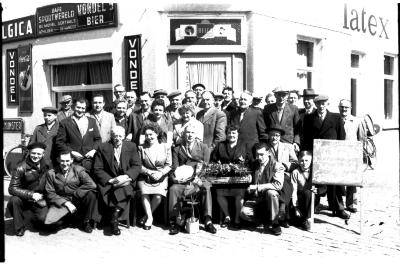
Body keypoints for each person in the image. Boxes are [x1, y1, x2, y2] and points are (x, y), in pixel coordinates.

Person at [303, 95, 349, 219]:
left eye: (324, 103)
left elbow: (341, 137)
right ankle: (313, 206)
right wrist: (307, 154)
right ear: (315, 105)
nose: (321, 106)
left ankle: (338, 208)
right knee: (315, 181)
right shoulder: (309, 118)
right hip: (316, 156)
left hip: (331, 156)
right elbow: (306, 139)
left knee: (334, 183)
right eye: (319, 104)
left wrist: (339, 154)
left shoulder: (336, 118)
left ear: (327, 104)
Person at [93, 126, 142, 235]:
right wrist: (110, 180)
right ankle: (115, 215)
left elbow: (137, 166)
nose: (118, 138)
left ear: (124, 136)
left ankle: (114, 217)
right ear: (111, 136)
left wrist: (126, 176)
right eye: (115, 136)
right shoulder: (103, 147)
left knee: (125, 187)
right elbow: (97, 168)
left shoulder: (132, 146)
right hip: (109, 181)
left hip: (126, 179)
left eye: (120, 136)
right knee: (120, 191)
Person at [168, 125, 216, 235]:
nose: (190, 135)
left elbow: (206, 167)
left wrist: (198, 178)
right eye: (188, 132)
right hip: (183, 180)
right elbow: (175, 167)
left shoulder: (204, 147)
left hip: (199, 178)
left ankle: (208, 220)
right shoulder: (177, 149)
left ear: (196, 135)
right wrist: (178, 179)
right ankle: (175, 221)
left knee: (207, 187)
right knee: (173, 189)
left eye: (192, 133)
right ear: (184, 134)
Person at [45, 151, 100, 233]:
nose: (65, 163)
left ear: (71, 160)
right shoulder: (51, 173)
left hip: (77, 199)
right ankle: (69, 219)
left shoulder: (78, 170)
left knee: (91, 194)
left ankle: (86, 221)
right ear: (58, 160)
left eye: (67, 161)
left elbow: (91, 184)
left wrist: (76, 194)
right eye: (62, 160)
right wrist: (66, 203)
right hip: (62, 201)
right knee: (50, 225)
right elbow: (50, 193)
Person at [211, 125, 252, 229]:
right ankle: (227, 216)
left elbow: (250, 162)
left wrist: (243, 168)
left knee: (239, 194)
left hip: (238, 178)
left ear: (237, 134)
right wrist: (219, 166)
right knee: (219, 193)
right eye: (229, 133)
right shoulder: (220, 145)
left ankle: (237, 219)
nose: (231, 135)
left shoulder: (244, 145)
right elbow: (213, 161)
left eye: (233, 133)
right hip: (223, 178)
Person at [240, 143, 285, 236]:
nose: (259, 157)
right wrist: (249, 179)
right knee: (243, 213)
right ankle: (262, 219)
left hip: (270, 201)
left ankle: (275, 223)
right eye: (257, 155)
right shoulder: (255, 164)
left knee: (271, 193)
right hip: (256, 199)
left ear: (268, 153)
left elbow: (278, 185)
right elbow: (250, 178)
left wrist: (257, 187)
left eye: (261, 154)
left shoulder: (276, 166)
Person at [7, 142, 50, 236]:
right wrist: (31, 194)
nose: (36, 156)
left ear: (43, 154)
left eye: (39, 154)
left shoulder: (46, 166)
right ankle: (19, 228)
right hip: (24, 199)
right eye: (33, 153)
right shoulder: (20, 167)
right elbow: (12, 188)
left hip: (40, 200)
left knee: (44, 221)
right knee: (14, 200)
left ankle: (33, 219)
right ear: (29, 153)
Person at [137, 124, 172, 230]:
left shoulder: (165, 146)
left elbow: (169, 165)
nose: (149, 137)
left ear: (157, 134)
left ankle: (146, 215)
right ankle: (150, 218)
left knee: (158, 196)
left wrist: (160, 173)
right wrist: (148, 172)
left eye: (151, 134)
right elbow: (138, 165)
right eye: (146, 135)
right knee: (144, 192)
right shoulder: (141, 147)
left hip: (161, 176)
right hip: (145, 176)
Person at [55, 97, 101, 172]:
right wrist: (71, 152)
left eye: (83, 108)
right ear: (73, 107)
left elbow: (98, 139)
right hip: (73, 162)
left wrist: (93, 150)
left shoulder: (92, 121)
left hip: (89, 161)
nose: (80, 110)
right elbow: (59, 142)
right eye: (78, 107)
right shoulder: (65, 123)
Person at [266, 125, 298, 228]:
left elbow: (296, 162)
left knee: (285, 182)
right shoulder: (265, 147)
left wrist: (285, 165)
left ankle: (282, 211)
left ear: (280, 137)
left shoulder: (287, 147)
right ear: (268, 136)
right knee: (279, 183)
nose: (274, 138)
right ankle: (283, 216)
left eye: (277, 135)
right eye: (272, 135)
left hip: (284, 173)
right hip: (270, 174)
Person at [338, 99, 365, 213]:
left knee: (352, 180)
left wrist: (360, 156)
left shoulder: (357, 121)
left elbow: (362, 139)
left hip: (352, 155)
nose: (344, 109)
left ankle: (351, 203)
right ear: (339, 107)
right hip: (338, 154)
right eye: (342, 107)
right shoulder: (335, 119)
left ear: (350, 108)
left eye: (346, 107)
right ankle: (338, 204)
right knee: (337, 180)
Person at [263, 86, 300, 152]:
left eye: (284, 95)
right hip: (272, 143)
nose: (281, 97)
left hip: (288, 143)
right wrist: (266, 141)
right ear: (275, 95)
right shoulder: (268, 109)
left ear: (287, 96)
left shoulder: (293, 109)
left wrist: (296, 142)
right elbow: (264, 127)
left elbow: (298, 128)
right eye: (279, 95)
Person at [290, 151, 313, 231]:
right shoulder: (295, 172)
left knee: (308, 193)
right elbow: (293, 190)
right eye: (302, 161)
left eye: (307, 161)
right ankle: (303, 218)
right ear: (299, 161)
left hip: (312, 199)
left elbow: (323, 188)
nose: (304, 163)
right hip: (300, 200)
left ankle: (307, 218)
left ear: (311, 161)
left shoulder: (314, 172)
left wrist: (318, 190)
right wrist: (296, 207)